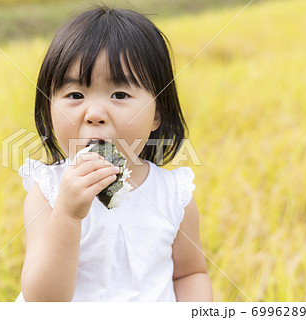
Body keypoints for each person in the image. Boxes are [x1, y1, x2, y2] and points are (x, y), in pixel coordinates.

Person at [15, 5, 213, 302]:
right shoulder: (48, 193)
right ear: (48, 107)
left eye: (119, 95)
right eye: (75, 95)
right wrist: (68, 215)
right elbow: (43, 300)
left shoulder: (173, 196)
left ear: (157, 113)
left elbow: (190, 273)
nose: (95, 114)